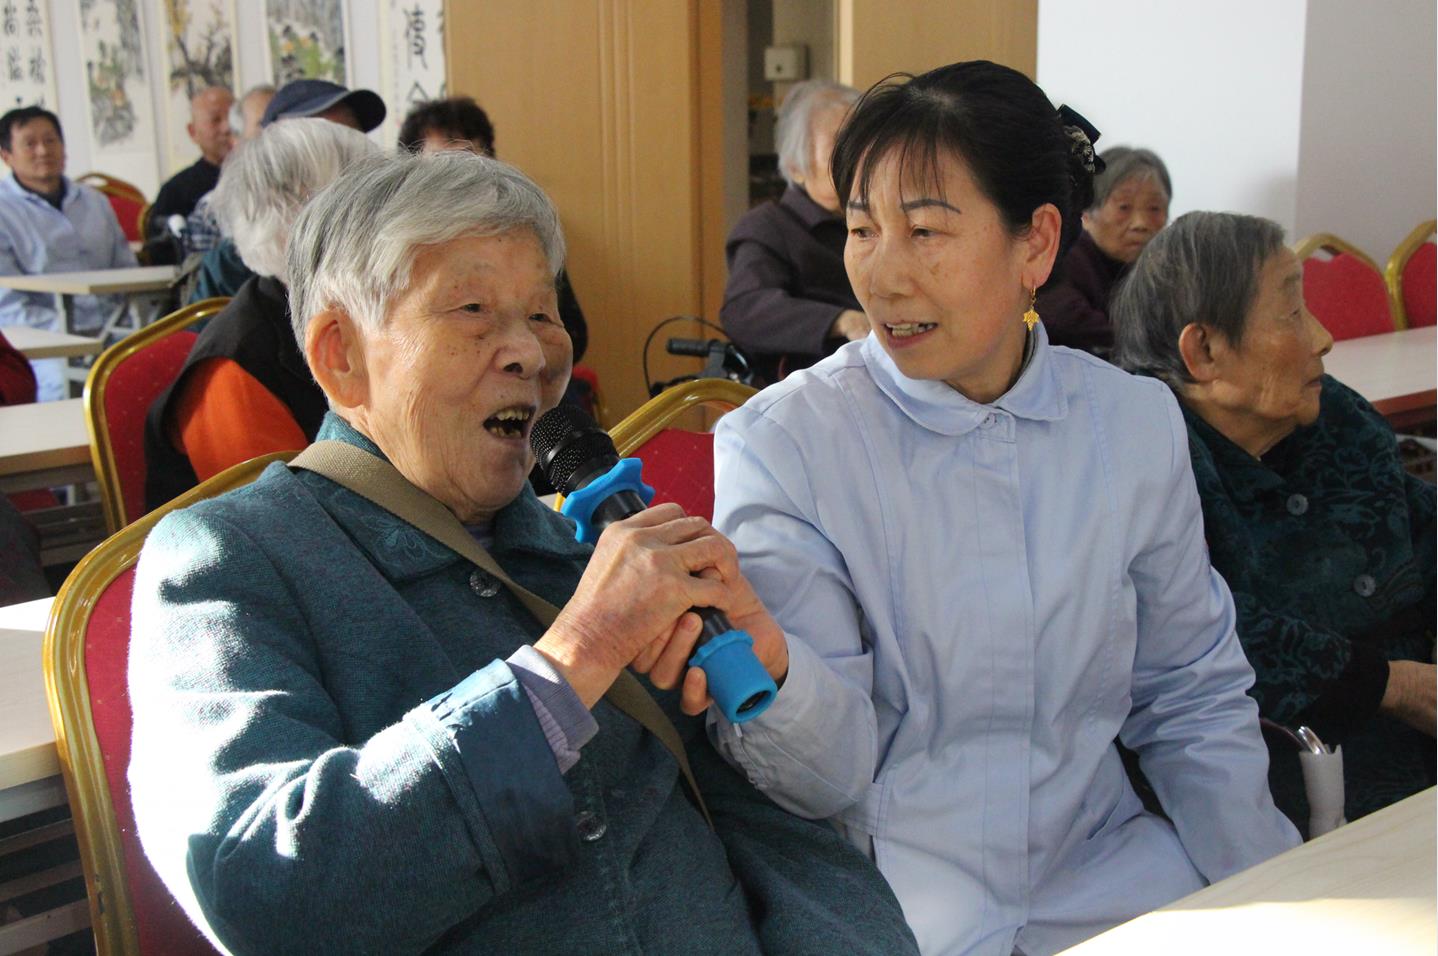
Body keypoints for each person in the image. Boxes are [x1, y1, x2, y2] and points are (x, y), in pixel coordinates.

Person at [128, 150, 917, 955]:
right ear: (341, 354)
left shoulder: (587, 546)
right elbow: (262, 891)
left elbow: (775, 835)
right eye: (472, 309)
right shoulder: (231, 560)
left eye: (544, 314)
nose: (533, 355)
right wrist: (578, 655)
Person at [701, 62, 1299, 955]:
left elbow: (1189, 694)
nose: (882, 277)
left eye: (925, 231)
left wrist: (1273, 892)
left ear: (1036, 245)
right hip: (900, 906)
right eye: (862, 230)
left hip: (1109, 877)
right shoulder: (788, 446)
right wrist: (779, 678)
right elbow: (824, 776)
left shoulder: (1130, 424)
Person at [1111, 210, 1436, 833]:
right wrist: (1390, 685)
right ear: (1205, 351)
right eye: (1291, 313)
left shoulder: (1331, 415)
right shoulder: (1144, 460)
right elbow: (1189, 633)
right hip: (1280, 789)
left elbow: (1417, 516)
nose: (1323, 337)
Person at [144, 119, 379, 511]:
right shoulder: (234, 368)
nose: (388, 223)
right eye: (367, 204)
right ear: (294, 219)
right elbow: (286, 522)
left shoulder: (358, 318)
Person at [397, 95, 588, 367]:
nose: (459, 182)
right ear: (410, 174)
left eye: (470, 165)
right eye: (442, 166)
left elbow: (573, 334)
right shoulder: (397, 247)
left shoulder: (524, 236)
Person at [720, 79, 865, 385]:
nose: (859, 160)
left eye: (864, 145)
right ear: (796, 167)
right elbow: (745, 310)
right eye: (841, 148)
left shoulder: (881, 221)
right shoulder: (769, 226)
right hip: (812, 393)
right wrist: (841, 321)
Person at [190, 79, 387, 303]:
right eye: (328, 141)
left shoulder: (389, 243)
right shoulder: (231, 267)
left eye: (354, 136)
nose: (351, 158)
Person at [0, 106, 137, 401]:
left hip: (115, 330)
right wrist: (70, 334)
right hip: (46, 343)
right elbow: (7, 304)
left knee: (158, 373)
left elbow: (127, 272)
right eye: (30, 143)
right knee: (61, 388)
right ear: (6, 155)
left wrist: (121, 327)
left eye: (51, 140)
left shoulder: (95, 201)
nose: (43, 151)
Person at [1035, 146, 1170, 356]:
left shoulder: (1167, 273)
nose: (1141, 224)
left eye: (1154, 209)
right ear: (1087, 213)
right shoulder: (1061, 262)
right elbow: (1067, 323)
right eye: (1124, 207)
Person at [183, 84, 276, 257]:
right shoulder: (211, 214)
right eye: (264, 124)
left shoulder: (313, 193)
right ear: (237, 139)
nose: (279, 133)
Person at [145, 86, 235, 264]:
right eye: (215, 120)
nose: (227, 128)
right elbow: (162, 257)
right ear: (193, 132)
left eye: (234, 118)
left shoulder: (263, 178)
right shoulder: (175, 191)